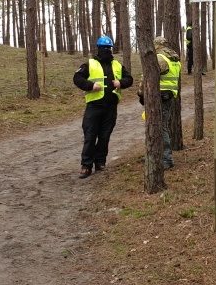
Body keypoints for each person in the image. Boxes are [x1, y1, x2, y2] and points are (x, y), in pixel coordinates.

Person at [73, 35, 133, 178]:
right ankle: (86, 166)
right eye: (103, 48)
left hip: (111, 107)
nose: (106, 50)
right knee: (90, 136)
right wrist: (91, 85)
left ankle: (100, 162)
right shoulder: (89, 64)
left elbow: (129, 79)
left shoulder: (117, 65)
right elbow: (77, 78)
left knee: (105, 136)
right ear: (98, 49)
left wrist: (121, 83)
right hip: (94, 107)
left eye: (108, 48)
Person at [138, 36, 181, 169]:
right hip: (168, 96)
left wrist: (141, 93)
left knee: (160, 127)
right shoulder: (175, 60)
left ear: (157, 46)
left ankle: (166, 159)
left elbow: (147, 76)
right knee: (156, 125)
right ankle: (154, 155)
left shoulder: (160, 58)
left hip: (159, 95)